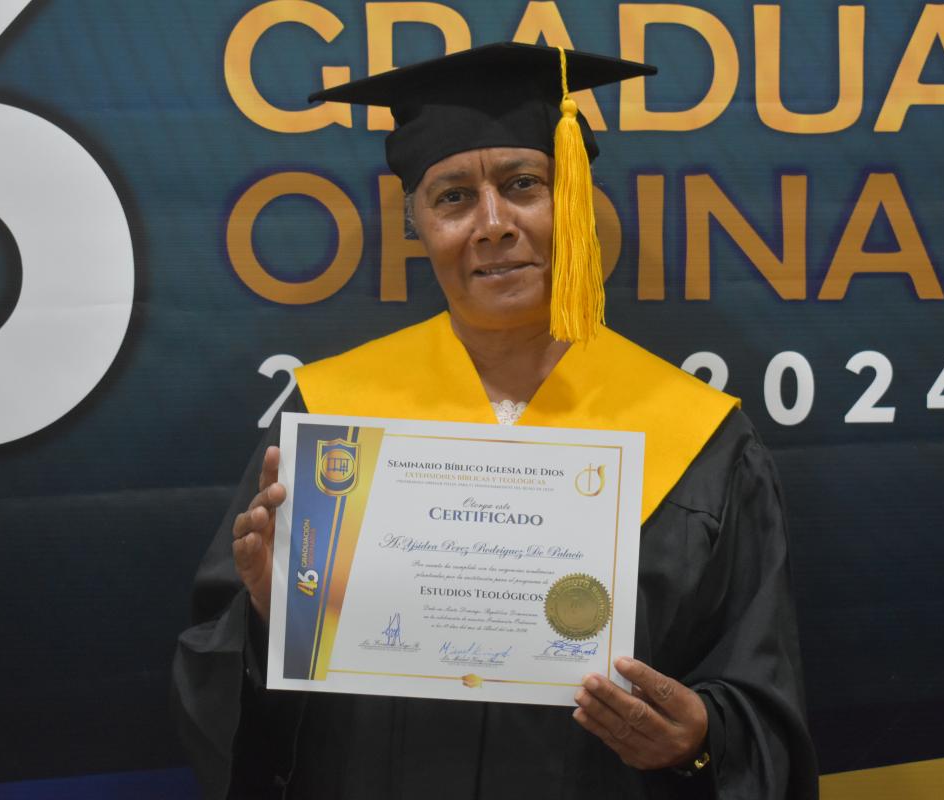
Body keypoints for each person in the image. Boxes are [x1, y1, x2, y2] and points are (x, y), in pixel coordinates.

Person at [173, 43, 818, 799]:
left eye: (523, 186)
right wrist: (267, 617)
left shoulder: (700, 438)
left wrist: (700, 738)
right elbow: (225, 690)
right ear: (416, 224)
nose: (492, 224)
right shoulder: (332, 418)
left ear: (572, 201)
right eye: (452, 198)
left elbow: (759, 697)